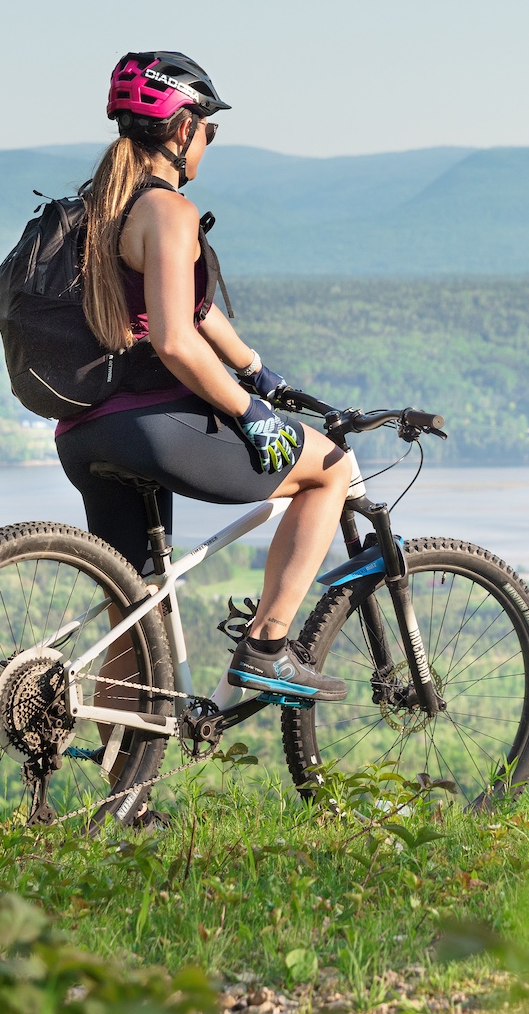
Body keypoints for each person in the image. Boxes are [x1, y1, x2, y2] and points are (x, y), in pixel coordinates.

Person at [55, 52, 349, 702]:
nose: (207, 143)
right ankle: (267, 647)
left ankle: (125, 769)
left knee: (137, 612)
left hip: (82, 432)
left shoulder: (96, 209)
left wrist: (256, 370)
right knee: (331, 467)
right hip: (149, 428)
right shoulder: (166, 210)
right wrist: (250, 411)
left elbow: (191, 307)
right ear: (185, 128)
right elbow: (175, 339)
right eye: (209, 131)